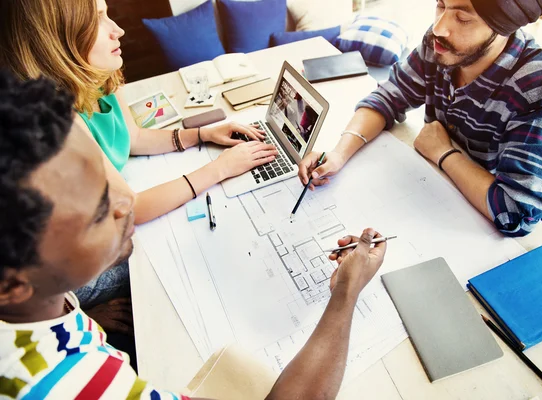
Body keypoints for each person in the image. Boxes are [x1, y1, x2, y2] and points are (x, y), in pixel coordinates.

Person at [0, 72, 387, 400]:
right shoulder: (77, 385)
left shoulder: (28, 292)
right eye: (96, 209)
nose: (124, 203)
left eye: (105, 182)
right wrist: (345, 294)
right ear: (12, 285)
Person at [0, 0, 278, 308]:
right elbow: (131, 206)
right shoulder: (58, 121)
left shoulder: (100, 77)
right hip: (81, 273)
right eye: (98, 21)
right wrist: (219, 170)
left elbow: (134, 138)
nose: (117, 30)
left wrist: (200, 135)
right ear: (56, 42)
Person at [299, 0, 542, 237]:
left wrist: (444, 153)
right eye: (441, 5)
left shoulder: (540, 86)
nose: (439, 28)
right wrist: (338, 154)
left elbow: (516, 214)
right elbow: (389, 96)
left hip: (475, 221)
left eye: (463, 17)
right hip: (430, 190)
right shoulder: (441, 44)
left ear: (503, 27)